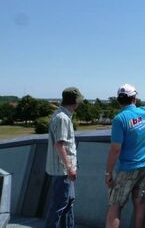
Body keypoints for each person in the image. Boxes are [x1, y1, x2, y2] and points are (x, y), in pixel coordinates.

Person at [105, 84, 145, 228]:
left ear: (119, 100)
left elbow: (115, 150)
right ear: (134, 98)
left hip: (127, 168)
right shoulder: (144, 113)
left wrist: (108, 172)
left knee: (115, 205)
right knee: (139, 202)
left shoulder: (119, 120)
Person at [46, 87, 84, 228]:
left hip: (64, 170)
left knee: (68, 203)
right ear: (74, 101)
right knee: (59, 205)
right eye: (78, 101)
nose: (79, 104)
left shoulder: (61, 115)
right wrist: (69, 167)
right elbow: (60, 144)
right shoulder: (62, 118)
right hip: (63, 171)